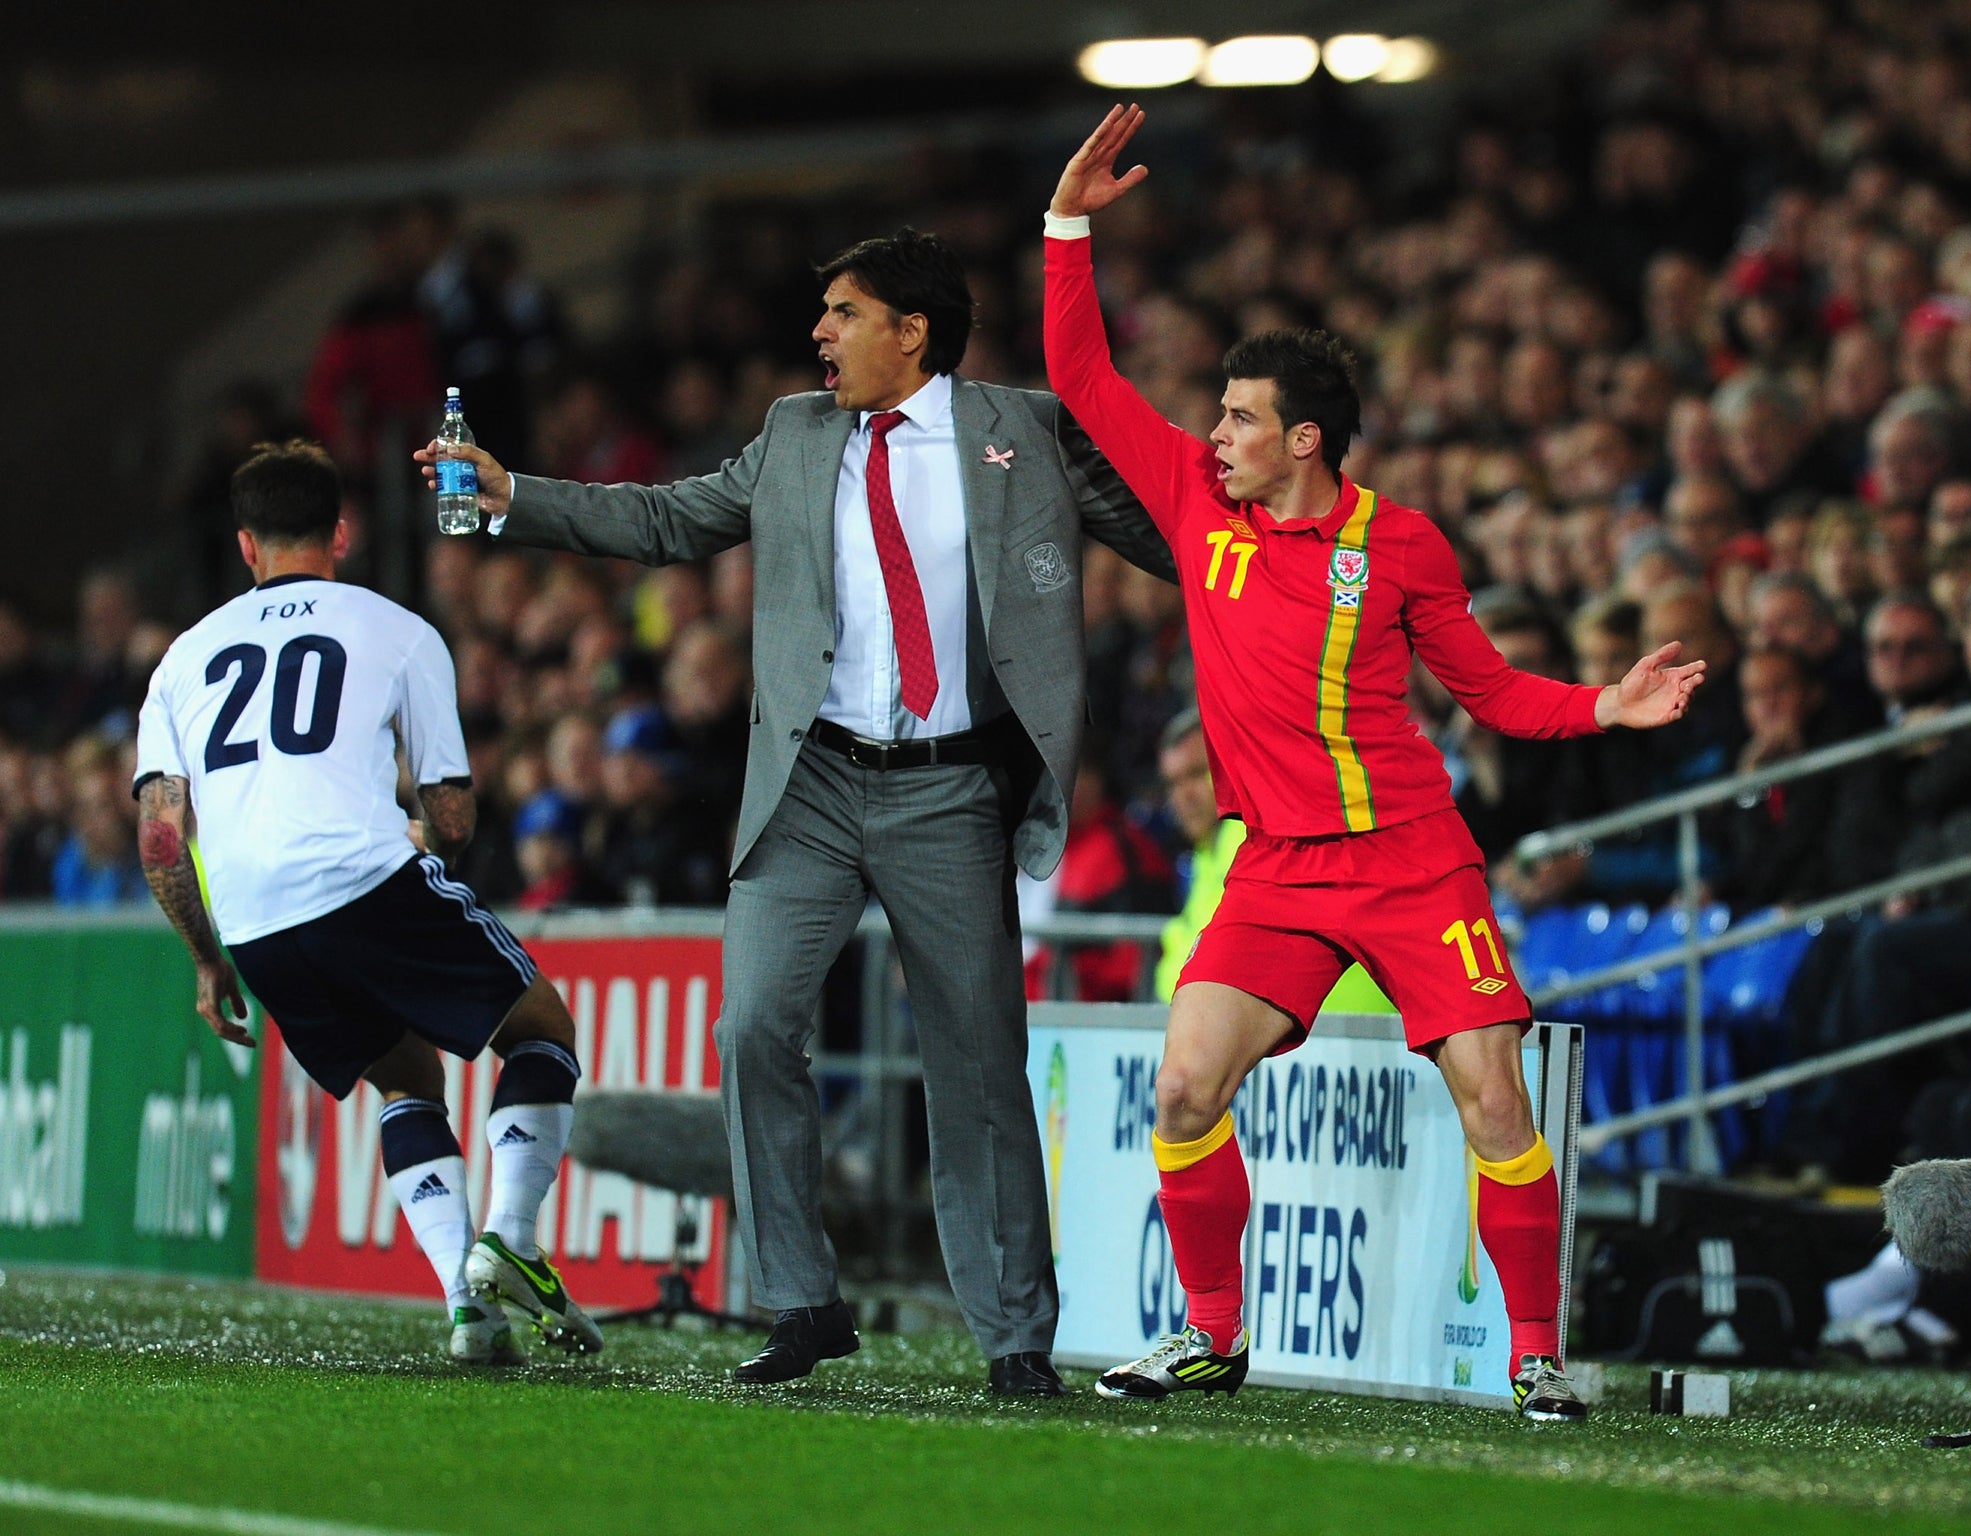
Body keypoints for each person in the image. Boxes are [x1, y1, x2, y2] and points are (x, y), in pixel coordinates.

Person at [418, 227, 1174, 1396]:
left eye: (842, 311)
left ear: (910, 331)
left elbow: (1165, 535)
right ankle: (801, 1300)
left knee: (977, 1062)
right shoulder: (792, 433)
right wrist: (516, 495)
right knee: (751, 1028)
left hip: (950, 787)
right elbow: (668, 520)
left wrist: (1293, 547)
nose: (818, 332)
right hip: (809, 784)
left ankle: (1016, 1336)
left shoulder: (1017, 428)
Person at [1043, 106, 1704, 1419]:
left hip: (1409, 860)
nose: (1214, 433)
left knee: (1492, 1098)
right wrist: (1067, 228)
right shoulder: (1191, 502)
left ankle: (1533, 1354)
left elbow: (1495, 696)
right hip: (1275, 867)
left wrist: (1602, 708)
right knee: (1183, 1083)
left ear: (1305, 439)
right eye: (1217, 414)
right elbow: (1082, 382)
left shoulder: (1399, 545)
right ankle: (1215, 1336)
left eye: (1240, 418)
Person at [132, 441, 598, 1367]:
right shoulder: (398, 629)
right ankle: (507, 1233)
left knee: (405, 1080)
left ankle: (471, 1316)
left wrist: (206, 957)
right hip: (362, 880)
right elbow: (452, 813)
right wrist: (430, 846)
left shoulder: (183, 659)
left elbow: (159, 834)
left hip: (260, 926)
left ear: (245, 546)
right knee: (542, 1029)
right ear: (341, 532)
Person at [1153, 708, 1389, 1013]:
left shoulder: (1252, 837)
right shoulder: (1205, 853)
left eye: (1198, 774)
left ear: (1230, 766)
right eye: (1173, 783)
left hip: (1343, 1033)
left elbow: (1210, 970)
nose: (1184, 795)